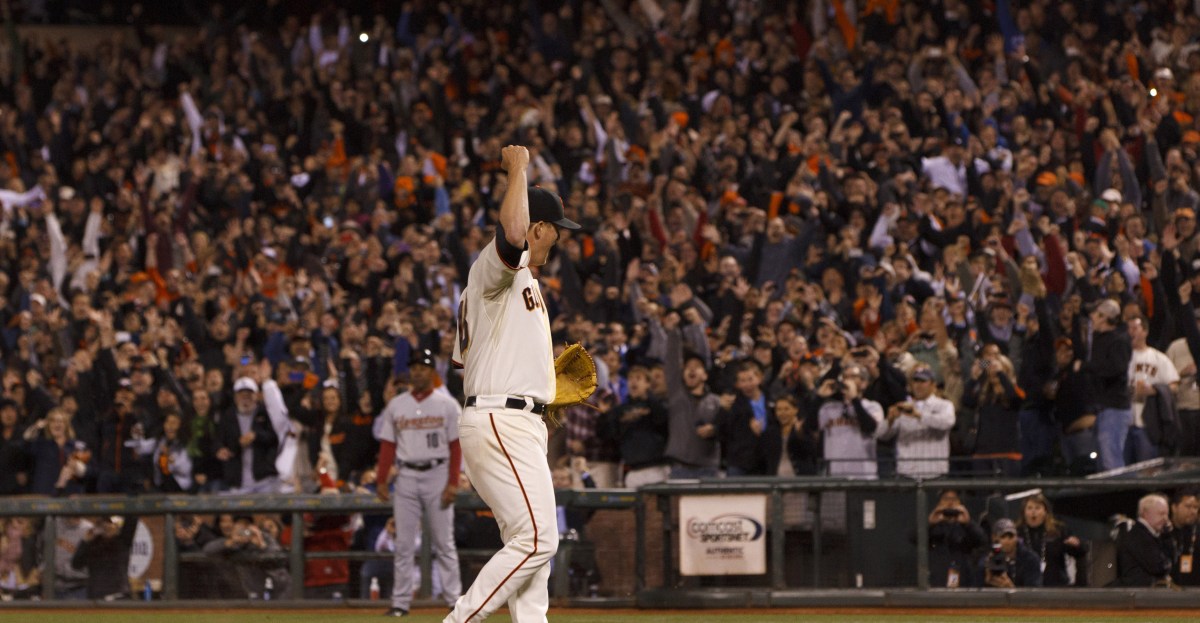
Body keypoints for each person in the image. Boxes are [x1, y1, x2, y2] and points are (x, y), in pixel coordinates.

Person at [445, 145, 578, 623]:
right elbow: (513, 233)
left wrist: (542, 389)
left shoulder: (515, 285)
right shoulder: (497, 269)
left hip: (511, 418)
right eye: (556, 232)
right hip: (502, 420)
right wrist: (519, 169)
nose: (558, 240)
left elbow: (466, 361)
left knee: (529, 551)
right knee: (540, 538)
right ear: (539, 228)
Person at [375, 348, 463, 617]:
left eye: (423, 367)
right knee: (403, 543)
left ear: (432, 371)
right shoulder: (397, 405)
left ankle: (455, 602)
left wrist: (452, 482)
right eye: (414, 367)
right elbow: (388, 445)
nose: (418, 371)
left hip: (438, 472)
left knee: (444, 542)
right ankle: (400, 603)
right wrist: (381, 479)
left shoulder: (447, 405)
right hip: (407, 476)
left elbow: (456, 446)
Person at [878, 366, 955, 478]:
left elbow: (947, 422)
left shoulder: (943, 405)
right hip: (906, 473)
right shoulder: (903, 406)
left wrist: (919, 415)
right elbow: (882, 436)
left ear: (933, 385)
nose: (918, 385)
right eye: (915, 381)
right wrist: (889, 420)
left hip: (934, 473)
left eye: (923, 381)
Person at [1015, 493, 1088, 587]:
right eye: (1029, 508)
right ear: (1024, 512)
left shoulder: (1058, 530)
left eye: (1037, 508)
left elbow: (1081, 551)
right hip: (1025, 586)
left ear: (1045, 512)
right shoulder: (1017, 532)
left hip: (1055, 585)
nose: (1033, 512)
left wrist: (1077, 545)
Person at [927, 489, 986, 588]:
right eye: (946, 499)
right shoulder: (935, 527)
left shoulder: (966, 526)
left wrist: (968, 524)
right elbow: (914, 538)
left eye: (954, 499)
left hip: (964, 580)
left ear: (959, 502)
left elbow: (982, 540)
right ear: (939, 502)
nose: (950, 502)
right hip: (938, 582)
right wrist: (930, 524)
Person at [71, 515, 138, 599]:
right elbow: (76, 564)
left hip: (119, 596)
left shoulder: (122, 541)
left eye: (110, 523)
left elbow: (132, 518)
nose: (107, 527)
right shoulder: (93, 544)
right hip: (97, 597)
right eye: (104, 524)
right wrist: (85, 542)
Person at [1117, 493, 1174, 587]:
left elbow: (1171, 563)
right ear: (1145, 513)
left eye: (1167, 514)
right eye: (1161, 514)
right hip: (1138, 594)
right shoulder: (1138, 535)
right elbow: (1158, 567)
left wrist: (1167, 537)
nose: (1166, 519)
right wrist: (1168, 564)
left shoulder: (1156, 535)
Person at [978, 517, 1042, 588]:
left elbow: (1034, 593)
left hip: (1021, 598)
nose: (1007, 541)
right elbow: (977, 592)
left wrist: (1011, 588)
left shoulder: (1030, 559)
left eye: (1011, 536)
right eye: (1003, 536)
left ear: (1017, 537)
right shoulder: (986, 561)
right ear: (994, 538)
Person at [1169, 490, 1200, 587]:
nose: (1193, 511)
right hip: (1168, 590)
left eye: (1196, 507)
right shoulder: (1164, 531)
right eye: (1188, 506)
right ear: (1174, 507)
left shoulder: (1197, 531)